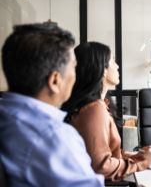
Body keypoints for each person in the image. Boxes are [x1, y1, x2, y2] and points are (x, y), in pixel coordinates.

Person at [0, 23, 104, 186]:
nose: (75, 75)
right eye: (74, 67)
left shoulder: (6, 116)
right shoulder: (54, 137)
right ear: (55, 81)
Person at [61, 42, 151, 181]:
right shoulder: (93, 110)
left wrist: (135, 157)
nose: (117, 66)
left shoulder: (99, 105)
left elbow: (106, 154)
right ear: (103, 70)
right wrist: (143, 162)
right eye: (113, 60)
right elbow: (101, 166)